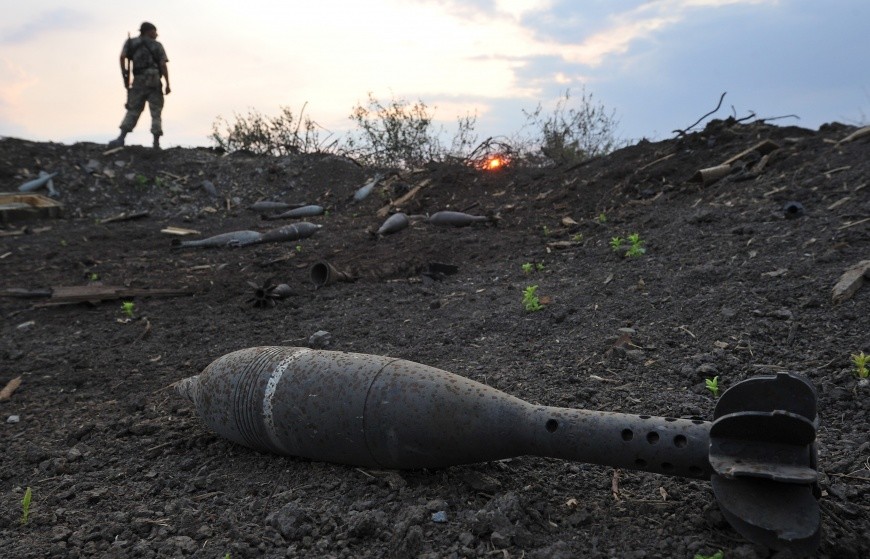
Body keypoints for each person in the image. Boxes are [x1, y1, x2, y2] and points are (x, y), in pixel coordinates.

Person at [107, 22, 171, 150]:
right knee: (156, 111)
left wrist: (124, 73)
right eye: (155, 31)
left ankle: (121, 138)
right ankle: (156, 143)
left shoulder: (131, 43)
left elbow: (122, 57)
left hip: (138, 79)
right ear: (148, 31)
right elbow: (163, 65)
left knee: (133, 109)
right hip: (154, 80)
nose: (157, 34)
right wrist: (168, 83)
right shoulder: (157, 46)